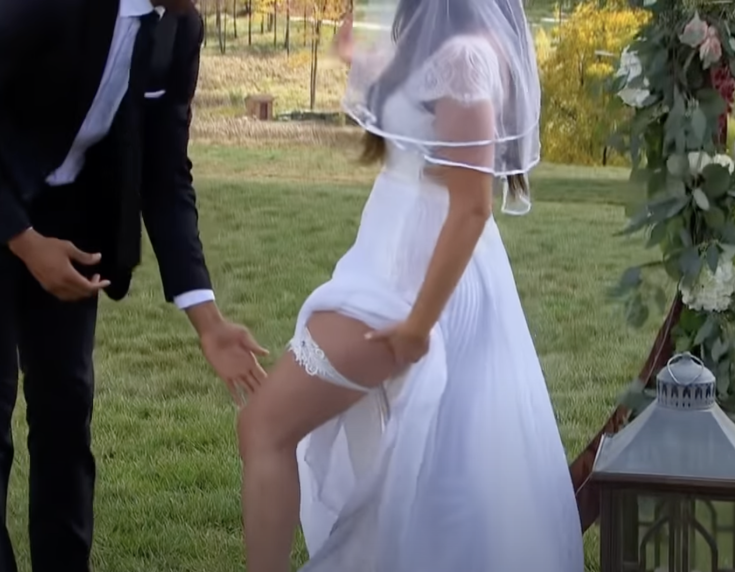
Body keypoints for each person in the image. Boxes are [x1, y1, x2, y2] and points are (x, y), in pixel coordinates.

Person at [0, 0, 267, 570]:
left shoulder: (179, 24)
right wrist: (25, 241)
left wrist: (206, 319)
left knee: (65, 408)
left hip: (69, 215)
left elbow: (165, 172)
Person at [235, 0, 584, 570]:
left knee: (265, 425)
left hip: (412, 284)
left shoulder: (467, 58)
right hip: (386, 265)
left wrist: (419, 326)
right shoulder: (437, 47)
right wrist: (355, 55)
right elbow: (414, 105)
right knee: (430, 472)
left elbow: (471, 208)